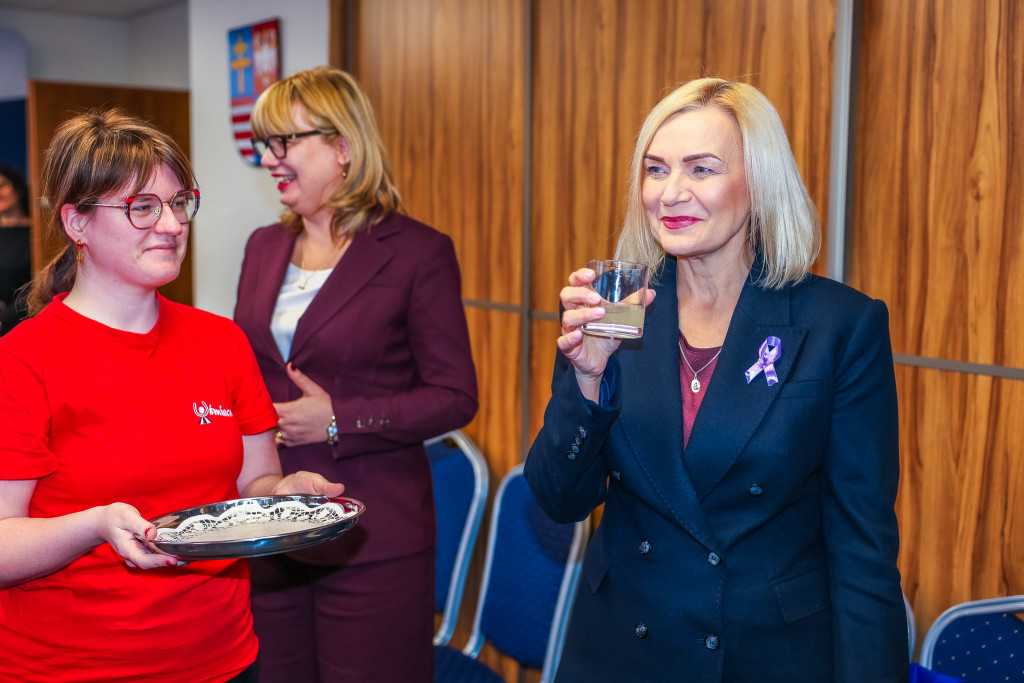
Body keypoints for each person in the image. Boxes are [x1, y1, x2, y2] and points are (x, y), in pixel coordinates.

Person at [525, 78, 907, 682]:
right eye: (656, 170)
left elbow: (863, 552)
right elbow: (559, 499)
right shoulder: (617, 306)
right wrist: (588, 380)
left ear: (759, 184)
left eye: (701, 169)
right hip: (620, 650)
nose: (670, 192)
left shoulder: (839, 325)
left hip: (763, 657)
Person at [0, 109, 344, 683]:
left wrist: (286, 496)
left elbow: (254, 484)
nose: (171, 224)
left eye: (180, 203)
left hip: (222, 656)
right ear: (77, 223)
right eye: (142, 206)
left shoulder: (222, 342)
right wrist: (95, 525)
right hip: (74, 666)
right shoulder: (22, 360)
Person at [234, 65, 478, 683]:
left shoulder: (418, 252)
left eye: (284, 141)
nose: (270, 157)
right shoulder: (263, 245)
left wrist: (340, 418)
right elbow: (249, 371)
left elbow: (455, 396)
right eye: (265, 143)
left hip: (370, 531)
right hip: (270, 523)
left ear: (343, 147)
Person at [0, 163, 32, 335]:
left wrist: (3, 318)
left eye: (2, 185)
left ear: (17, 187)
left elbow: (37, 286)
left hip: (22, 325)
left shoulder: (37, 233)